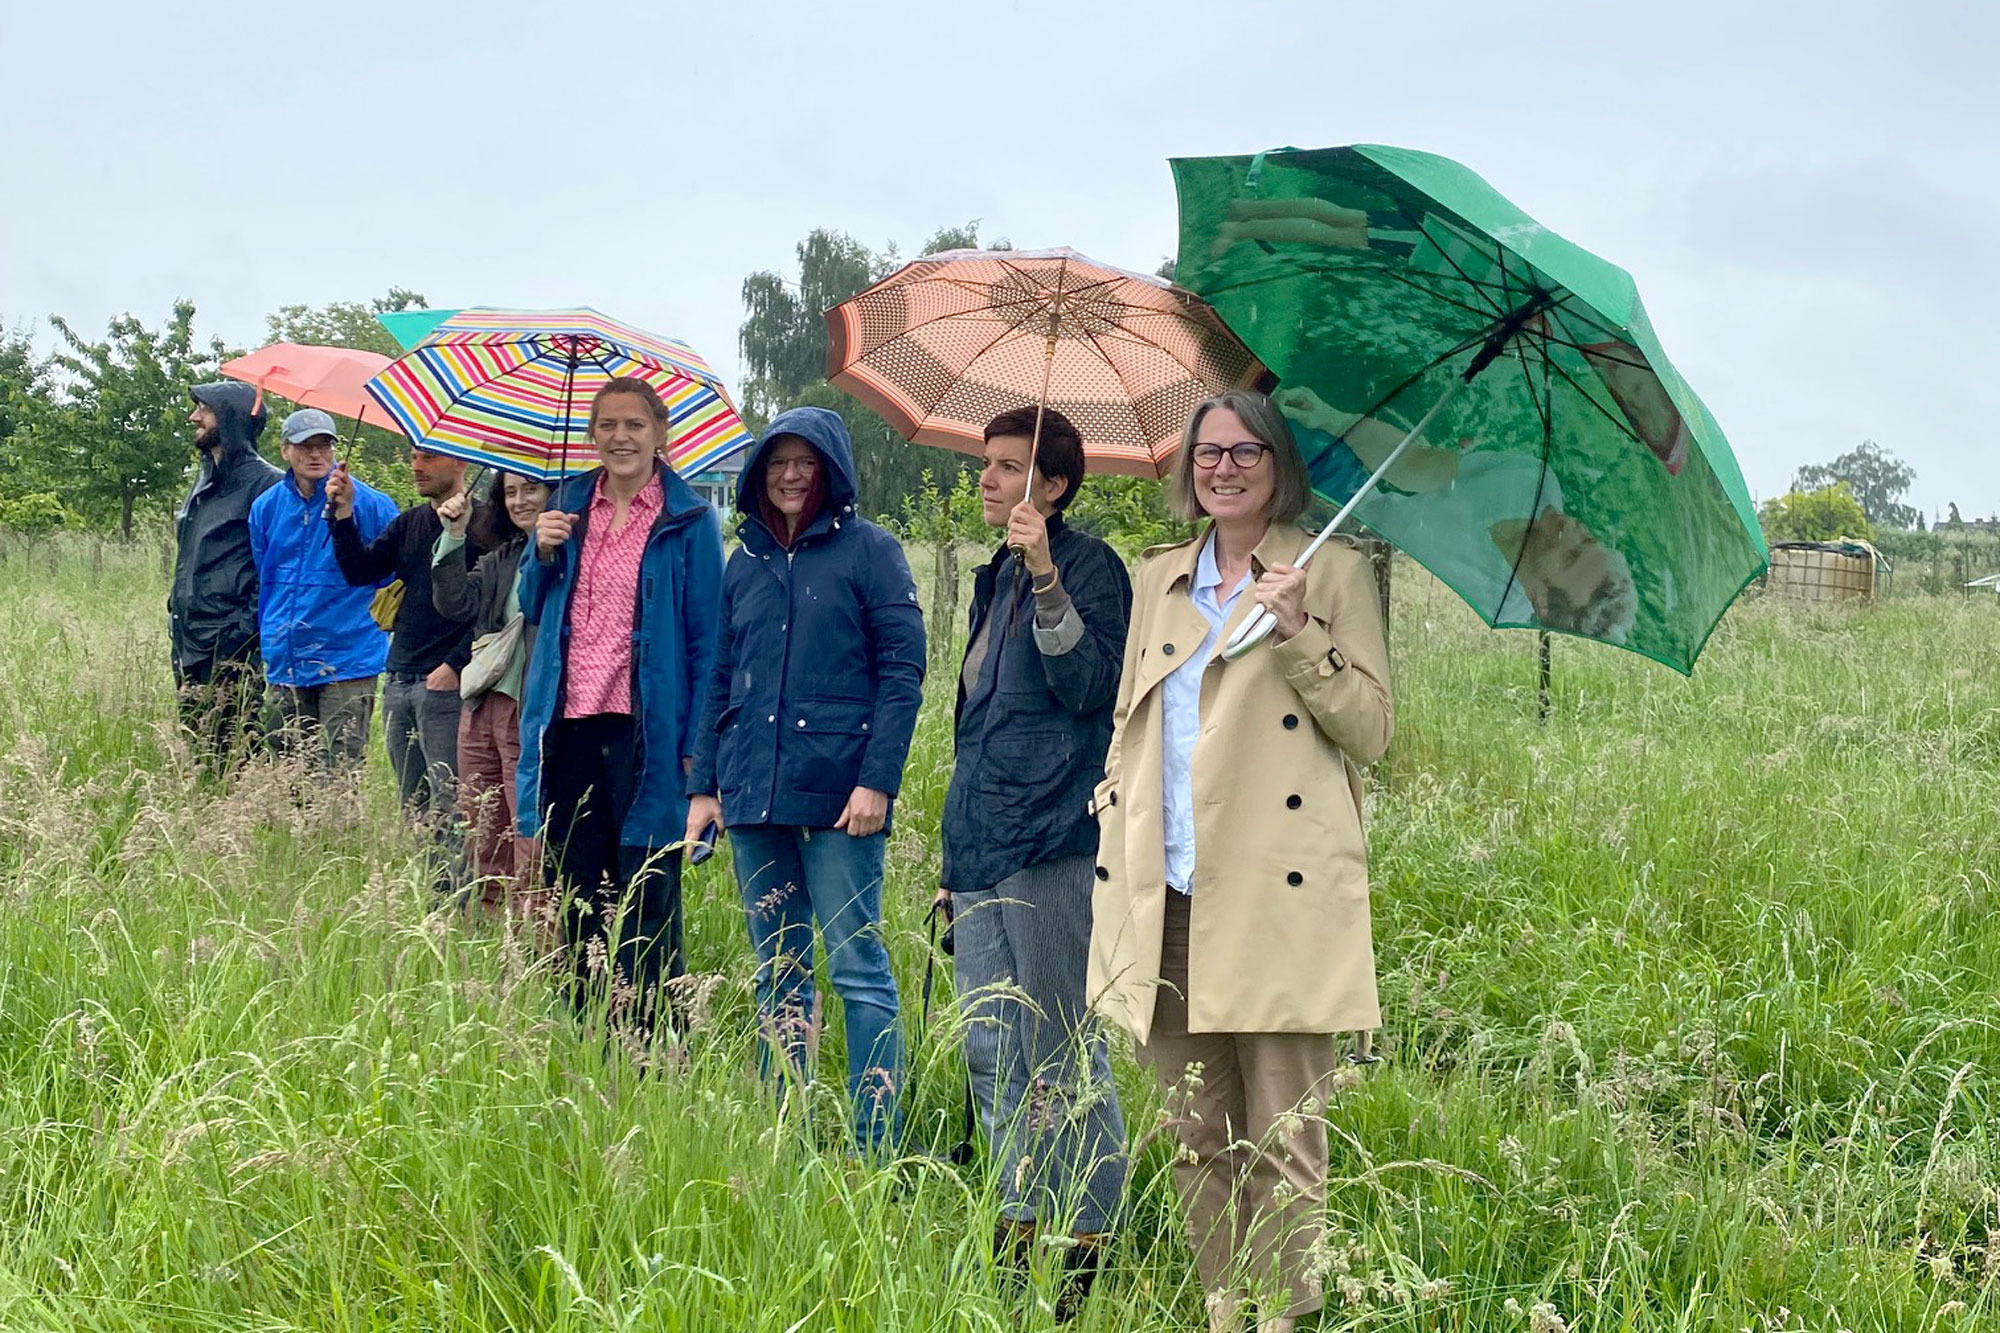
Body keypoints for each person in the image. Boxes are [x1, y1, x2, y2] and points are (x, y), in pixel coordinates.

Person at [1088, 390, 1393, 1333]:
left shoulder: (1331, 570)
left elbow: (1372, 733)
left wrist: (1303, 633)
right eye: (1208, 452)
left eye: (1246, 452)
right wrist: (1110, 801)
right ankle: (1225, 1309)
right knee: (1194, 1133)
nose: (1223, 467)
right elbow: (1130, 719)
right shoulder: (1157, 579)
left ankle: (1284, 1318)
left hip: (1276, 896)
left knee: (1288, 1138)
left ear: (1279, 465)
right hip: (1165, 888)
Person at [686, 406, 925, 1153]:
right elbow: (720, 673)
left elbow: (902, 672)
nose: (792, 475)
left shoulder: (871, 553)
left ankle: (873, 1142)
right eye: (778, 462)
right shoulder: (744, 561)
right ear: (759, 474)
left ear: (832, 471)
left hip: (842, 796)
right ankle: (783, 1131)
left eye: (807, 462)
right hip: (753, 790)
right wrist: (705, 784)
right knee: (778, 967)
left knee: (857, 966)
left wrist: (877, 779)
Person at [936, 406, 1130, 1315]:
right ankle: (1019, 1224)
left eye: (1008, 465)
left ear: (1053, 486)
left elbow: (1090, 686)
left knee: (1062, 1049)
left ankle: (1084, 1241)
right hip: (978, 845)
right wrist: (951, 856)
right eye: (986, 461)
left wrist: (1050, 578)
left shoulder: (1092, 568)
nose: (987, 477)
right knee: (992, 1049)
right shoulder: (989, 579)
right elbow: (974, 727)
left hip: (1052, 842)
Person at [514, 378, 724, 1032]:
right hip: (569, 727)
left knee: (647, 889)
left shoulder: (689, 519)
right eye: (607, 424)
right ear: (591, 434)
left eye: (635, 423)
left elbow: (708, 643)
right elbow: (528, 604)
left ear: (660, 432)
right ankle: (583, 1036)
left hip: (648, 734)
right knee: (577, 888)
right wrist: (541, 552)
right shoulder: (568, 506)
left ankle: (655, 1046)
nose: (621, 436)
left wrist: (700, 756)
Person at [327, 445, 485, 830]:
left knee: (453, 803)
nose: (416, 467)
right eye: (414, 457)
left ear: (460, 460)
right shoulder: (408, 522)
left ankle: (459, 891)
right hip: (399, 677)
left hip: (450, 686)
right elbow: (359, 571)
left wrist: (454, 665)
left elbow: (493, 610)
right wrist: (344, 513)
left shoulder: (486, 525)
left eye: (428, 458)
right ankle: (429, 889)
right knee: (414, 805)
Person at [248, 409, 396, 772]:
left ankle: (336, 831)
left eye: (324, 445)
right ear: (284, 450)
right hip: (286, 658)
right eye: (304, 446)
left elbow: (387, 579)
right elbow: (263, 574)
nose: (315, 455)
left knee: (338, 771)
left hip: (347, 658)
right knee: (287, 770)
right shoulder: (266, 507)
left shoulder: (372, 504)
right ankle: (291, 831)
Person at [432, 468, 549, 913]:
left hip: (531, 703)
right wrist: (454, 536)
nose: (520, 501)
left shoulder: (570, 554)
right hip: (484, 702)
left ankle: (534, 938)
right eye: (511, 492)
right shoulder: (504, 556)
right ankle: (492, 936)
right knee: (483, 824)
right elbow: (455, 603)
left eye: (531, 489)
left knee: (528, 829)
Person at [170, 381, 281, 773]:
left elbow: (274, 571)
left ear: (231, 418)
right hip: (188, 638)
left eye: (205, 408)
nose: (194, 417)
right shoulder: (205, 478)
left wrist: (238, 635)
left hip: (231, 646)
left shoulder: (266, 484)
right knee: (200, 757)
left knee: (235, 756)